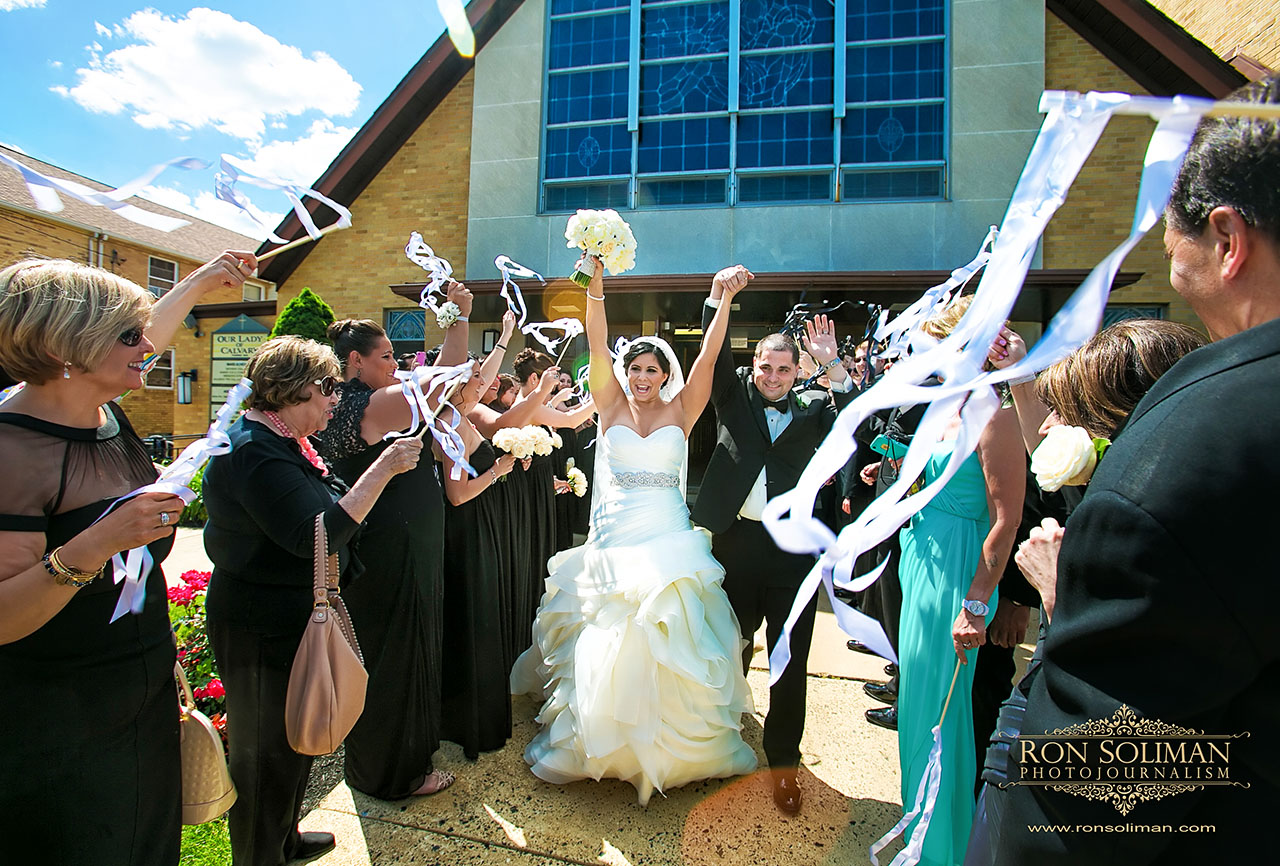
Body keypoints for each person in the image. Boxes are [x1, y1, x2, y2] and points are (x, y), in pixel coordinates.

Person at [982, 75, 1280, 864]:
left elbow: (1092, 773)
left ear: (1226, 240)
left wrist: (1062, 601)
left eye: (1166, 234)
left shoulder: (1194, 452)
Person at [0, 251, 255, 866]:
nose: (149, 346)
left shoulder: (105, 414)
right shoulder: (13, 451)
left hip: (137, 691)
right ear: (68, 345)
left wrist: (199, 281)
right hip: (56, 717)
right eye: (128, 336)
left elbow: (146, 333)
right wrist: (96, 542)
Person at [511, 257, 758, 806]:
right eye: (636, 370)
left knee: (673, 629)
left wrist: (721, 302)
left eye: (652, 371)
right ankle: (601, 741)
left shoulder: (685, 409)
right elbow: (596, 345)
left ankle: (680, 746)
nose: (642, 379)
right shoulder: (609, 405)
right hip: (618, 535)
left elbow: (712, 356)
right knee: (612, 633)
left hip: (668, 533)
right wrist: (595, 288)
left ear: (665, 375)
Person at [202, 336, 423, 865]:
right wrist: (382, 469)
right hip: (262, 625)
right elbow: (313, 533)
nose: (334, 398)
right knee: (266, 753)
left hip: (290, 616)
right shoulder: (254, 450)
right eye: (326, 388)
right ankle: (261, 855)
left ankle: (286, 837)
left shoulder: (284, 440)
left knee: (297, 736)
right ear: (291, 389)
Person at [690, 296, 857, 814]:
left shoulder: (814, 408)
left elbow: (858, 423)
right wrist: (719, 299)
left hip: (792, 553)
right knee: (727, 649)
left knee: (789, 661)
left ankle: (784, 763)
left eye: (785, 368)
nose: (774, 376)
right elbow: (713, 353)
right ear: (754, 364)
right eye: (766, 366)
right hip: (735, 544)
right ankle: (721, 744)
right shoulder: (733, 396)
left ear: (797, 370)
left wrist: (831, 364)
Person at [313, 292, 481, 800]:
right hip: (393, 546)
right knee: (397, 656)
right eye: (386, 355)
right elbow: (447, 380)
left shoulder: (365, 400)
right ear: (354, 361)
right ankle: (395, 773)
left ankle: (385, 765)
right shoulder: (365, 401)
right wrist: (459, 318)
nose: (397, 362)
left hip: (400, 541)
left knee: (397, 653)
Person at [888, 297, 1024, 866]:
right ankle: (918, 826)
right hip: (919, 561)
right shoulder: (944, 404)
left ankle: (943, 847)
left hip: (956, 572)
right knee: (916, 706)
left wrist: (976, 603)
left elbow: (1006, 519)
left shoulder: (995, 414)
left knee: (946, 716)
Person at [436, 364, 519, 759]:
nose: (483, 384)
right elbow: (457, 494)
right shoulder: (450, 423)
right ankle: (470, 723)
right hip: (466, 530)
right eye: (476, 380)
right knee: (475, 616)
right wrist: (497, 470)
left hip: (477, 525)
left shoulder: (460, 417)